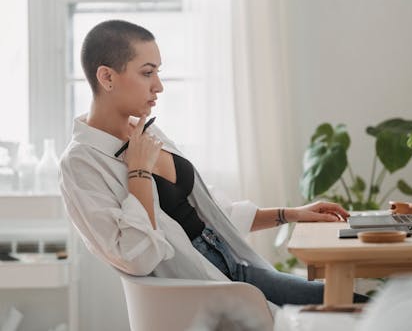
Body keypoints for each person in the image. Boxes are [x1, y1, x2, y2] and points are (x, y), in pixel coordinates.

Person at [59, 19, 367, 307]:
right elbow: (135, 257)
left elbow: (210, 213)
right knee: (358, 310)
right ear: (107, 77)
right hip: (204, 293)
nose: (159, 86)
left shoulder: (144, 131)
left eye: (158, 72)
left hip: (236, 269)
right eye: (147, 72)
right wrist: (138, 172)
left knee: (363, 304)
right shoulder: (80, 163)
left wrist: (292, 214)